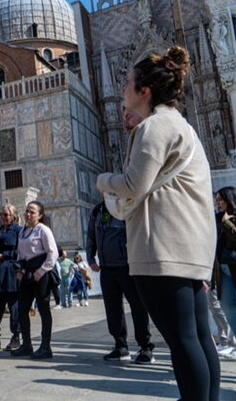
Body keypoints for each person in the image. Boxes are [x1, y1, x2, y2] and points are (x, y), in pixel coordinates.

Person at [96, 46, 219, 401]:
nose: (122, 92)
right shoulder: (179, 124)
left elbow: (135, 183)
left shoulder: (155, 126)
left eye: (128, 84)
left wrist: (104, 181)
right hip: (188, 248)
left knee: (183, 342)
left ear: (144, 91)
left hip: (163, 249)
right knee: (196, 337)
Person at [86, 200, 155, 363]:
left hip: (127, 266)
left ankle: (145, 347)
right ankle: (120, 346)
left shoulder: (126, 207)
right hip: (106, 268)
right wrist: (90, 257)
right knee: (113, 308)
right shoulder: (97, 211)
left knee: (138, 306)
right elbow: (90, 236)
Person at [11, 201, 58, 360]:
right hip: (27, 273)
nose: (28, 214)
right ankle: (26, 344)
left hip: (40, 273)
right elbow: (20, 253)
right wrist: (20, 270)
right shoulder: (23, 231)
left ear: (39, 215)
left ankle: (46, 346)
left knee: (44, 308)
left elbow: (53, 253)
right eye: (26, 211)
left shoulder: (43, 230)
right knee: (23, 308)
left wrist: (42, 271)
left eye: (32, 212)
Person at [0, 204, 22, 351]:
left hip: (10, 272)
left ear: (14, 216)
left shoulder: (18, 231)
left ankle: (16, 336)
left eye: (7, 215)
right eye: (2, 214)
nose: (4, 217)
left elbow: (21, 252)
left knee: (13, 304)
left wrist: (4, 256)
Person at [214, 187, 236, 347]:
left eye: (220, 199)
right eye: (216, 200)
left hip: (233, 266)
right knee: (227, 307)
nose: (218, 203)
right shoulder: (216, 218)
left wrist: (227, 222)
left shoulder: (229, 219)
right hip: (223, 269)